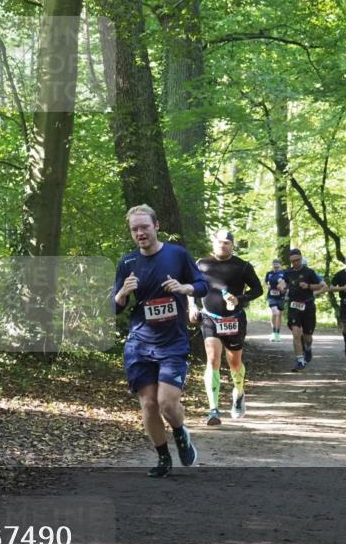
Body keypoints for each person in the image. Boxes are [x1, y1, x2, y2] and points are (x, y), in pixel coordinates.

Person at [113, 204, 206, 477]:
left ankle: (180, 432)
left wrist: (184, 288)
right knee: (149, 404)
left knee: (167, 402)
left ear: (156, 226)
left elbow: (201, 284)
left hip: (172, 341)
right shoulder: (128, 263)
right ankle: (163, 457)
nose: (140, 233)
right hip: (139, 342)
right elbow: (115, 307)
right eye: (134, 229)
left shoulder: (177, 255)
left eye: (144, 227)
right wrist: (122, 294)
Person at [190, 230, 264, 425]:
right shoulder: (201, 264)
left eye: (227, 243)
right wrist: (192, 306)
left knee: (235, 363)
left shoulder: (243, 266)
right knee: (212, 359)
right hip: (210, 318)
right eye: (219, 242)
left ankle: (238, 392)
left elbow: (258, 290)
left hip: (234, 318)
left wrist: (239, 298)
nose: (222, 246)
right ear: (213, 243)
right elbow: (191, 286)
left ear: (232, 245)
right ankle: (213, 410)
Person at [278, 248, 327, 372]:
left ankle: (308, 348)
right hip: (294, 306)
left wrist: (309, 286)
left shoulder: (309, 272)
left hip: (308, 306)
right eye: (293, 261)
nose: (296, 263)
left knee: (308, 337)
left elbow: (321, 285)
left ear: (301, 258)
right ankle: (300, 361)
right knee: (296, 333)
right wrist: (282, 287)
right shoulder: (287, 272)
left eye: (298, 260)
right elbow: (281, 283)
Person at [264, 258, 287, 341]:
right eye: (274, 266)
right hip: (271, 296)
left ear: (280, 266)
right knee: (275, 312)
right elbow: (265, 282)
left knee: (278, 315)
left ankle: (277, 333)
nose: (276, 268)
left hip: (281, 297)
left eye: (277, 266)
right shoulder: (269, 274)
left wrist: (282, 285)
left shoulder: (284, 273)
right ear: (272, 265)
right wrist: (267, 286)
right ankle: (274, 333)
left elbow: (287, 283)